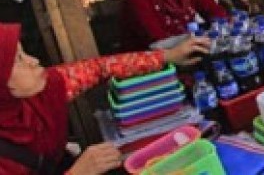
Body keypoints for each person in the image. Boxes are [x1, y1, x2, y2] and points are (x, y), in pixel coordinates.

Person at [0, 22, 208, 174]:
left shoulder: (43, 90)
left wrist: (166, 56)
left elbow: (101, 67)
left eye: (24, 52)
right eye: (17, 59)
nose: (34, 61)